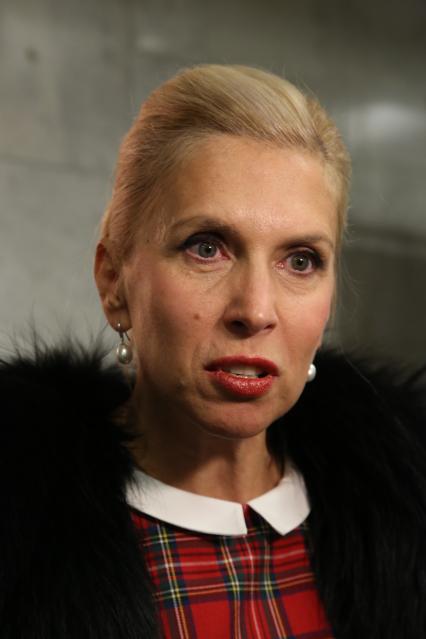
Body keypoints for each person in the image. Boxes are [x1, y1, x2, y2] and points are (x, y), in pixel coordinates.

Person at [1, 64, 425, 639]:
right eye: (207, 248)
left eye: (300, 260)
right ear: (114, 281)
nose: (256, 309)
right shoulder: (25, 537)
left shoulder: (403, 516)